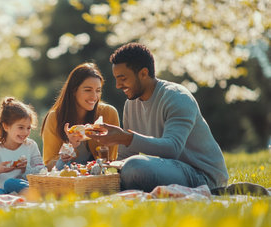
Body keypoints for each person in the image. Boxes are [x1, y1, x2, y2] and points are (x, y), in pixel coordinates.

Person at [87, 43, 228, 192]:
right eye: (116, 79)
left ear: (143, 73)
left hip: (203, 177)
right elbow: (126, 156)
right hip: (169, 169)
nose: (117, 85)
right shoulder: (131, 104)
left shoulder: (177, 97)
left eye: (123, 78)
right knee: (128, 167)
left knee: (135, 166)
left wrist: (125, 138)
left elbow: (172, 148)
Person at [41, 62, 120, 170]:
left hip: (99, 178)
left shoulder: (108, 113)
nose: (94, 96)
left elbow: (111, 159)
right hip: (67, 179)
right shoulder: (55, 117)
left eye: (98, 91)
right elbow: (49, 165)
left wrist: (102, 140)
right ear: (74, 90)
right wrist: (69, 147)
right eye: (88, 90)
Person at [0, 97, 45, 195]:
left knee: (10, 183)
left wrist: (25, 169)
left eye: (28, 128)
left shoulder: (30, 146)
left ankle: (33, 195)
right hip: (2, 191)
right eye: (21, 127)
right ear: (6, 126)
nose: (26, 132)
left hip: (22, 188)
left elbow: (42, 172)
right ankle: (7, 200)